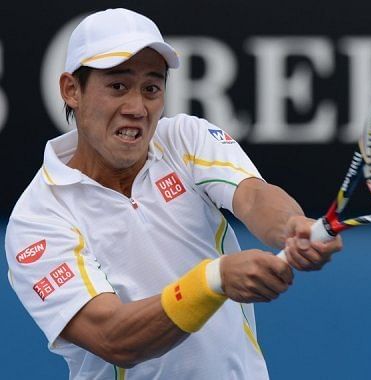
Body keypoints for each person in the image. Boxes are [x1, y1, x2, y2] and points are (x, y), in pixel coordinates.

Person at [5, 8, 342, 380]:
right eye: (118, 86)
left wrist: (291, 226)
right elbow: (113, 337)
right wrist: (213, 280)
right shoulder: (37, 220)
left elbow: (253, 196)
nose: (137, 108)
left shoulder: (186, 138)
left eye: (151, 88)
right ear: (72, 90)